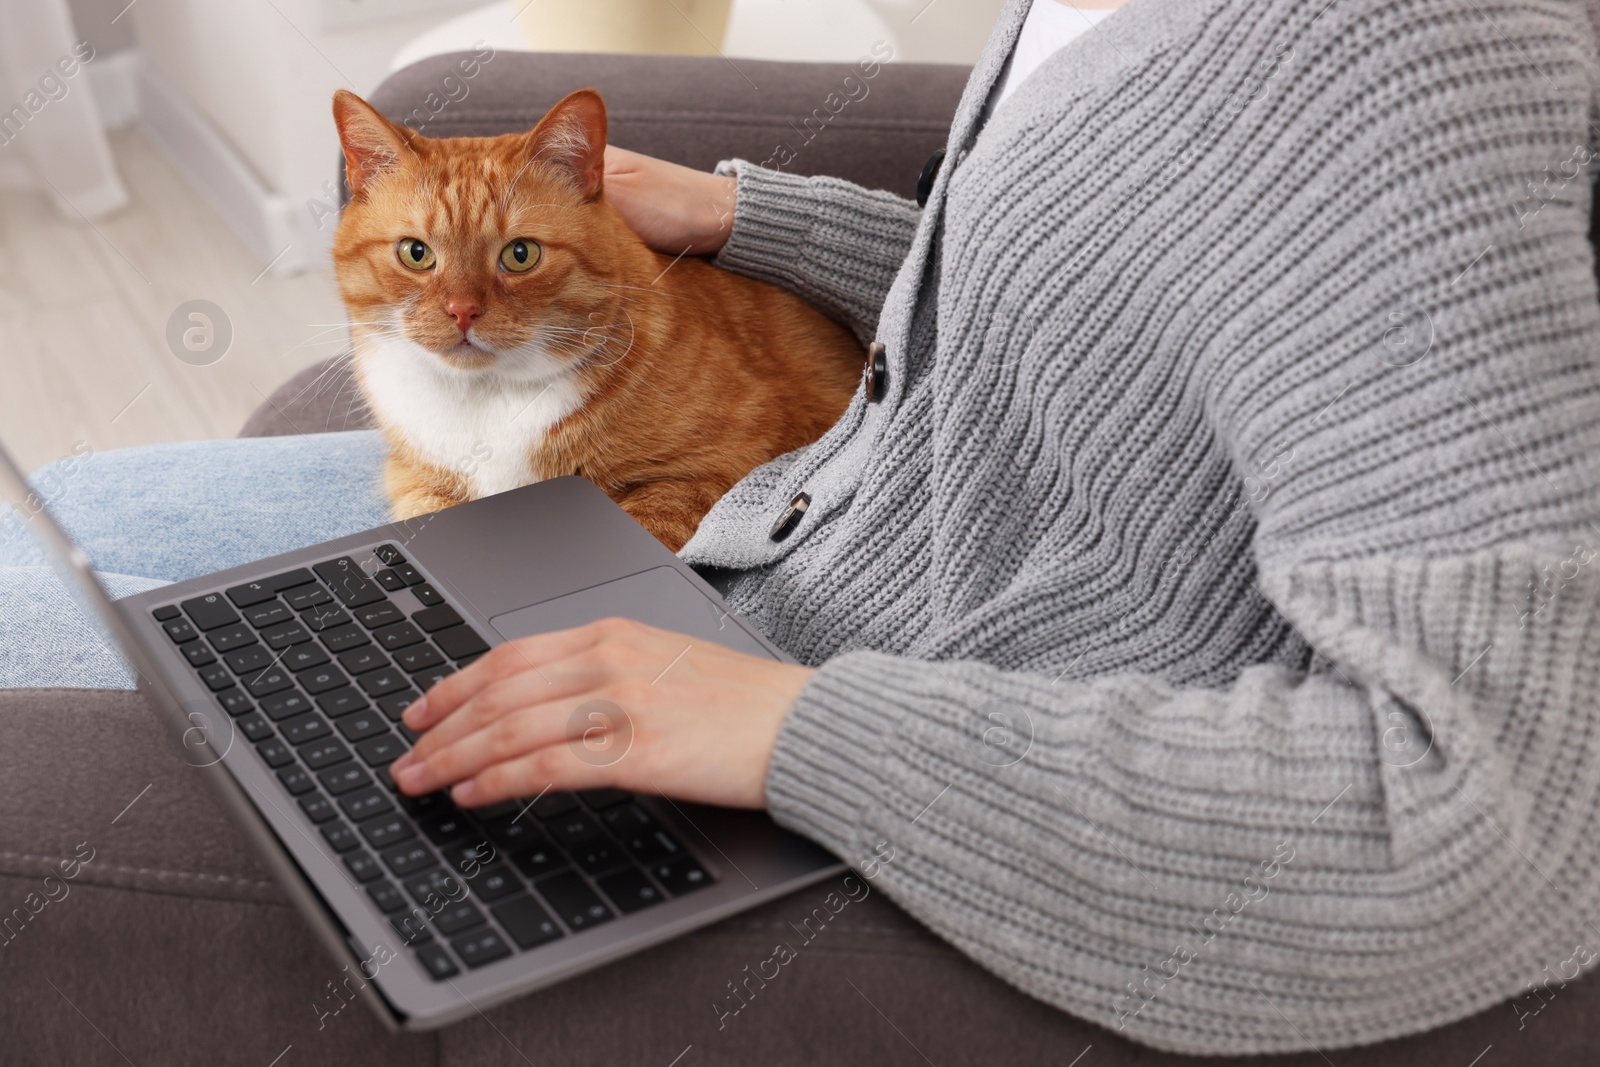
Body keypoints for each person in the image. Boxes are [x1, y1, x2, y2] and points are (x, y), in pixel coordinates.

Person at [4, 0, 1599, 1055]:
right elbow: (1086, 310)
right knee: (60, 529)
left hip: (912, 749)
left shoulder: (1409, 72)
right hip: (801, 530)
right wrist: (751, 219)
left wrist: (798, 730)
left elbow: (1503, 825)